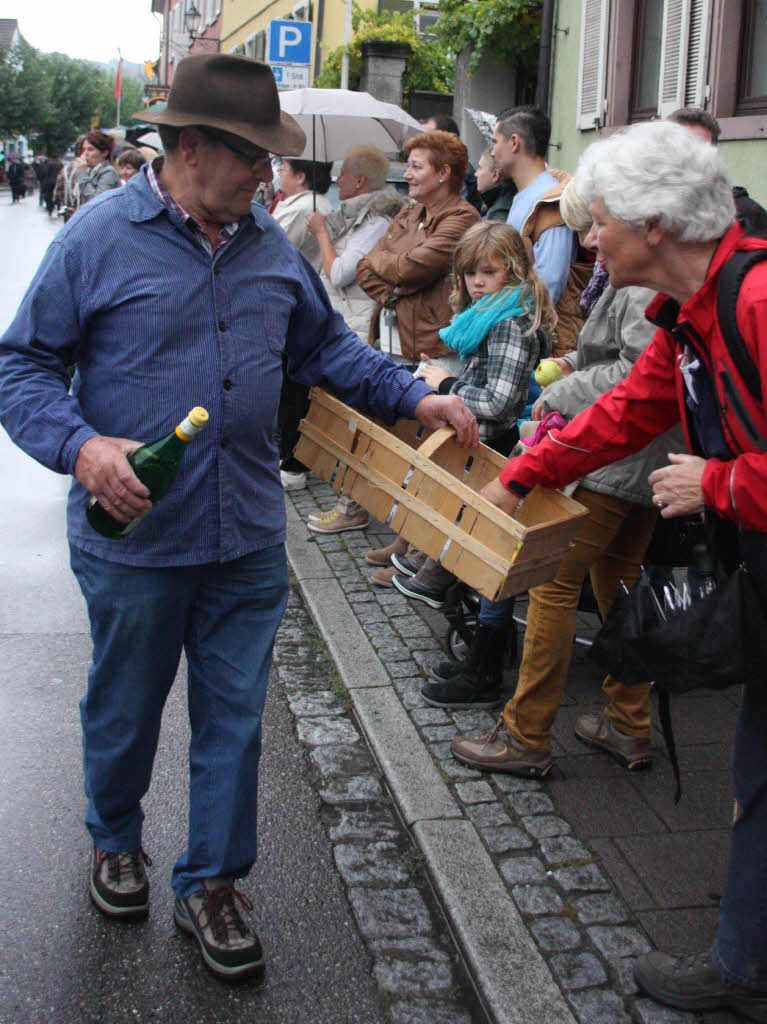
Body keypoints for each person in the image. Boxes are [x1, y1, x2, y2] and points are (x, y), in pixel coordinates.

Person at [0, 53, 477, 983]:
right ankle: (115, 838)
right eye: (251, 156)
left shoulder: (268, 248)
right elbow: (20, 369)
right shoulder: (96, 240)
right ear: (186, 146)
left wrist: (414, 398)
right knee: (126, 704)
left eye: (268, 158)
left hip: (247, 532)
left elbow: (330, 352)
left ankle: (214, 881)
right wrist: (84, 449)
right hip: (136, 537)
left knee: (234, 718)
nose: (266, 174)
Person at [450, 119, 767, 1021]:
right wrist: (523, 474)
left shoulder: (754, 301)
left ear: (655, 225)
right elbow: (627, 410)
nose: (585, 239)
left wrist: (721, 480)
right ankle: (744, 956)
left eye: (601, 223)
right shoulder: (687, 312)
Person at [440, 179, 683, 760]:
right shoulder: (642, 275)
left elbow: (635, 374)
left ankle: (526, 734)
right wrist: (573, 361)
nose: (589, 241)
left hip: (612, 460)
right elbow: (624, 356)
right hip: (638, 464)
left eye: (597, 227)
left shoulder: (645, 280)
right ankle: (627, 723)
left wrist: (565, 388)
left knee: (549, 587)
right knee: (621, 590)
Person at [390, 221, 555, 617]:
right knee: (459, 511)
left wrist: (447, 385)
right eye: (469, 273)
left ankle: (447, 582)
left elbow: (499, 403)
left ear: (513, 270)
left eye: (488, 272)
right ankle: (437, 566)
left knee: (478, 526)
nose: (477, 283)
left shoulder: (509, 324)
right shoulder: (488, 315)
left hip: (498, 440)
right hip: (481, 435)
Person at [356, 129, 481, 582]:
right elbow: (367, 263)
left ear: (444, 173)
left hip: (433, 346)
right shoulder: (412, 211)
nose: (406, 174)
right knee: (408, 449)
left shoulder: (462, 218)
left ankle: (420, 553)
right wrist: (396, 285)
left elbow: (406, 265)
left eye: (416, 166)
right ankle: (405, 539)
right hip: (392, 339)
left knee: (432, 457)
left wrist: (397, 272)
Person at [302, 145, 407, 534]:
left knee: (358, 424)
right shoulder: (356, 217)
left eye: (342, 174)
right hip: (345, 325)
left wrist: (321, 234)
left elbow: (340, 272)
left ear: (359, 181)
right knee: (347, 423)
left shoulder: (376, 221)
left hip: (359, 332)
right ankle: (348, 502)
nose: (336, 181)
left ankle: (354, 507)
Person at [492, 105, 592, 355]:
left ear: (514, 142)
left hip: (544, 346)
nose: (492, 152)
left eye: (495, 142)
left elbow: (550, 284)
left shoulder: (551, 201)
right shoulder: (527, 195)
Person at [270, 156, 334, 491]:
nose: (279, 173)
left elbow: (271, 248)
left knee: (293, 389)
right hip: (299, 302)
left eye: (283, 169)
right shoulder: (304, 203)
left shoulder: (304, 208)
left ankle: (293, 462)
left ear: (301, 175)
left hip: (295, 304)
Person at [421, 113, 482, 213]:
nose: (422, 144)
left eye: (428, 138)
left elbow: (455, 214)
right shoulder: (440, 167)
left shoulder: (458, 172)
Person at [77, 131, 121, 205]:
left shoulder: (109, 173)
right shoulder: (91, 171)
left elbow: (97, 201)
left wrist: (82, 173)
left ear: (104, 153)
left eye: (90, 150)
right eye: (83, 150)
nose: (85, 154)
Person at [475, 147, 516, 223]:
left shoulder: (499, 213)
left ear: (495, 175)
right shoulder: (496, 204)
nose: (476, 174)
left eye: (480, 168)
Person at [53, 135, 86, 221]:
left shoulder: (66, 168)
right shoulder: (87, 169)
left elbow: (57, 193)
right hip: (83, 215)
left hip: (68, 215)